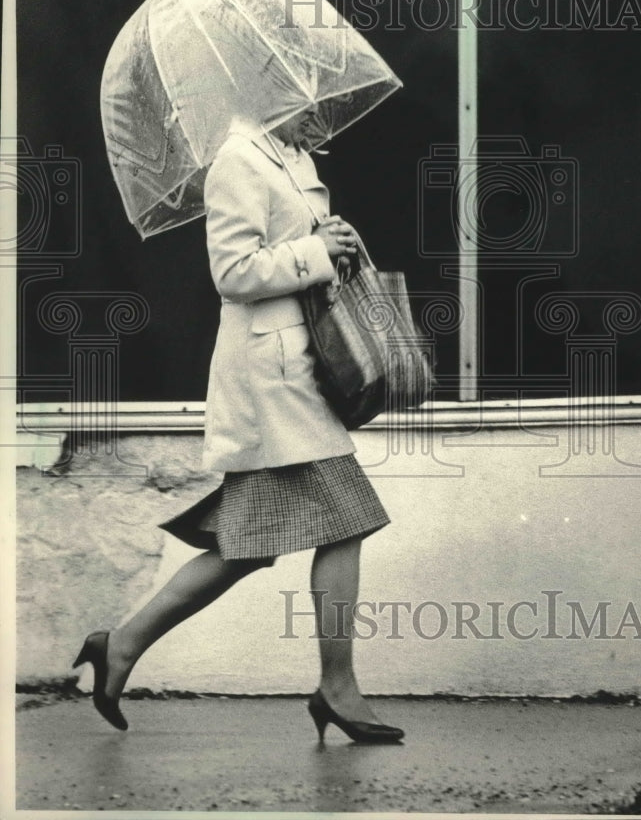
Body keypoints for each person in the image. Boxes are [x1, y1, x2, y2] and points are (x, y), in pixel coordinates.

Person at [73, 107, 404, 744]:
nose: (325, 118)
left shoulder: (293, 156)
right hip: (268, 379)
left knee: (244, 547)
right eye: (315, 106)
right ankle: (336, 688)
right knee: (350, 516)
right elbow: (232, 271)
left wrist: (335, 240)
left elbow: (295, 255)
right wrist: (313, 249)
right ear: (277, 91)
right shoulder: (238, 160)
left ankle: (120, 644)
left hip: (296, 370)